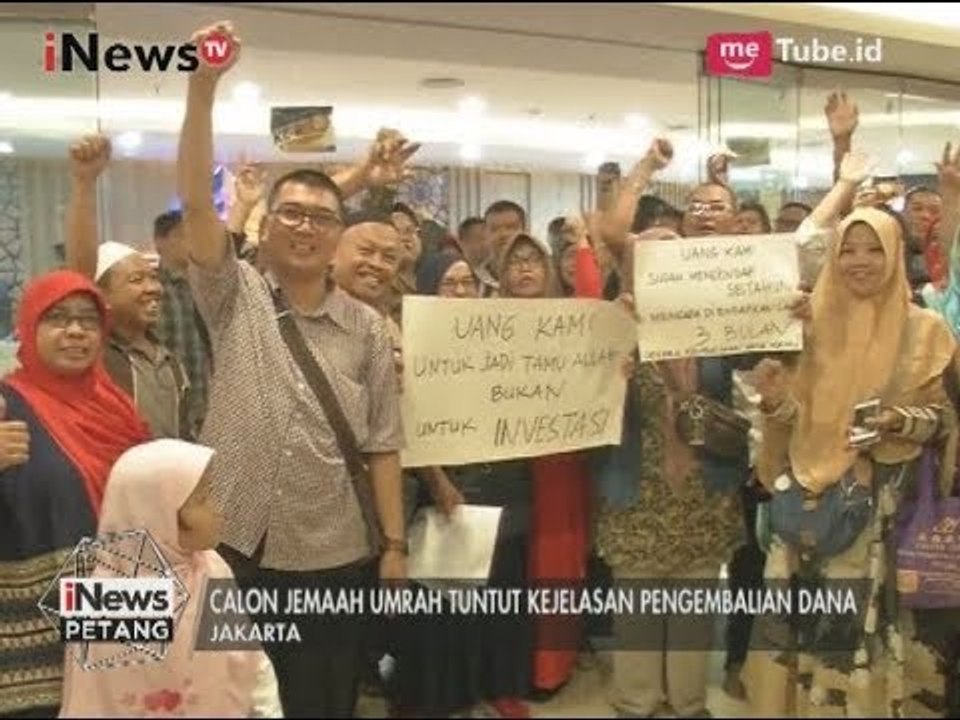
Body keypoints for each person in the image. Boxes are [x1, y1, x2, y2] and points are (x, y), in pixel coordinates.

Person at [177, 22, 405, 718]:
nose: (305, 227)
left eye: (320, 219)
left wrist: (393, 547)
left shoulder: (368, 328)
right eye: (292, 215)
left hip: (334, 550)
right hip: (236, 546)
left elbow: (384, 443)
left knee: (322, 698)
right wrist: (202, 84)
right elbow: (193, 200)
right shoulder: (234, 293)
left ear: (338, 236)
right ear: (266, 226)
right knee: (229, 696)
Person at [746, 206, 958, 718]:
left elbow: (944, 421)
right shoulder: (809, 323)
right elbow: (797, 417)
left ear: (894, 255)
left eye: (874, 248)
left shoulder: (925, 329)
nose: (860, 261)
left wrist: (894, 422)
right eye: (848, 249)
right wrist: (774, 402)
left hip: (878, 510)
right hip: (806, 505)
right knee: (801, 628)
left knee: (855, 629)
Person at [0, 271, 149, 717]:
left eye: (88, 320)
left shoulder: (115, 406)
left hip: (122, 588)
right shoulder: (7, 402)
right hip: (33, 621)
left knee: (126, 703)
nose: (76, 331)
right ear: (29, 326)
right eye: (57, 318)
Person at [59, 439, 281, 718]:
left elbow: (251, 663)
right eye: (202, 500)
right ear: (160, 514)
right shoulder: (103, 599)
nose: (217, 509)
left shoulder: (211, 567)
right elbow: (96, 699)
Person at [64, 134, 191, 440]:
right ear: (101, 296)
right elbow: (80, 276)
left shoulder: (168, 358)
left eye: (153, 277)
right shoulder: (94, 354)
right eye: (136, 280)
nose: (153, 288)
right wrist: (84, 184)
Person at [153, 209, 212, 439]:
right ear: (160, 242)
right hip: (167, 403)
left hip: (206, 402)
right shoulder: (152, 289)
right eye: (181, 235)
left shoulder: (205, 287)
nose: (191, 242)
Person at [386, 202, 422, 326]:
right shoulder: (380, 287)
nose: (406, 239)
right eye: (397, 232)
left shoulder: (431, 279)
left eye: (410, 231)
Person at [458, 216, 499, 296]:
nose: (486, 244)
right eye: (481, 238)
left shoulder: (491, 272)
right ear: (463, 243)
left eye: (488, 238)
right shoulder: (454, 273)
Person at [484, 200, 528, 270]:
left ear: (525, 231)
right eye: (495, 229)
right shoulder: (473, 277)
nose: (503, 234)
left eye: (511, 227)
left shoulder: (546, 272)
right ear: (486, 234)